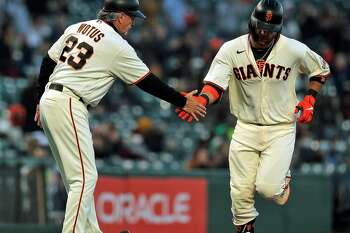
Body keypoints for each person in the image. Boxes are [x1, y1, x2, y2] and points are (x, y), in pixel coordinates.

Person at [33, 0, 206, 232]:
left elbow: (47, 62)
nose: (134, 22)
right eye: (132, 17)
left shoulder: (77, 27)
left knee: (77, 179)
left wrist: (39, 99)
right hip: (69, 102)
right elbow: (147, 82)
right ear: (120, 16)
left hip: (51, 99)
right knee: (85, 180)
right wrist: (182, 100)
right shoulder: (116, 44)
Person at [176, 0, 330, 232]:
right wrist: (202, 99)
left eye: (270, 30)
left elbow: (321, 69)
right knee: (239, 191)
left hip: (280, 127)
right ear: (251, 23)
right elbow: (215, 86)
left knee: (269, 189)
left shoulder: (293, 49)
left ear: (278, 29)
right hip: (245, 126)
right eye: (260, 27)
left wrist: (310, 99)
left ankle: (282, 180)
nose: (264, 33)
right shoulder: (230, 49)